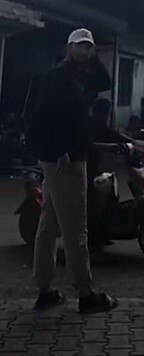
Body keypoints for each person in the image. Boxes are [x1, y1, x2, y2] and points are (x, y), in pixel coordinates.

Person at [26, 28, 118, 314]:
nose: (85, 52)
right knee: (76, 227)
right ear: (68, 47)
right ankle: (87, 293)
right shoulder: (58, 77)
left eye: (89, 48)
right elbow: (44, 116)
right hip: (66, 159)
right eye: (80, 47)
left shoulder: (83, 76)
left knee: (49, 224)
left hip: (64, 157)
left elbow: (105, 82)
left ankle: (45, 291)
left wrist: (96, 58)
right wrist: (59, 150)